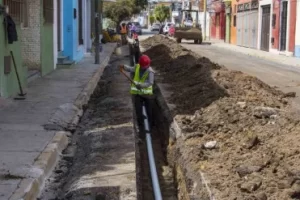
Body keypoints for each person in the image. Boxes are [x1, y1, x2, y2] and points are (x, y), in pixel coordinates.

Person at [120, 55, 155, 139]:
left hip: (147, 95)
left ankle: (151, 128)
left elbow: (150, 83)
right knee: (138, 112)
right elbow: (130, 69)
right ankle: (141, 129)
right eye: (143, 66)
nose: (144, 67)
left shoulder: (150, 72)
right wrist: (124, 66)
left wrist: (141, 85)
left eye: (145, 66)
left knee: (150, 112)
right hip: (138, 94)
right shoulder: (137, 66)